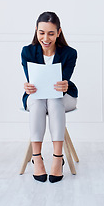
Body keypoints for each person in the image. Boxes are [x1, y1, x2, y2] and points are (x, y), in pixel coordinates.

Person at [21, 12, 78, 183]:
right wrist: (28, 86)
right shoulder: (27, 51)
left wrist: (64, 84)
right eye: (41, 33)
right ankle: (36, 157)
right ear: (36, 31)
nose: (46, 38)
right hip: (37, 97)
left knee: (54, 100)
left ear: (59, 32)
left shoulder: (69, 53)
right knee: (38, 103)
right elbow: (32, 81)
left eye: (51, 33)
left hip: (63, 97)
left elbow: (64, 81)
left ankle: (57, 158)